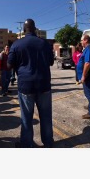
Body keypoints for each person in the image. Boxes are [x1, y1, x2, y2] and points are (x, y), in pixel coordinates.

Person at [7, 19, 54, 148]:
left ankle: (27, 144)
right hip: (44, 85)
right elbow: (51, 62)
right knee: (46, 116)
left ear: (23, 30)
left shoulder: (16, 44)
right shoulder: (44, 43)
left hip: (26, 86)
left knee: (26, 118)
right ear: (35, 29)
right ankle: (48, 143)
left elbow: (9, 65)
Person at [77, 34, 90, 119]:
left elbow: (87, 63)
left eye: (82, 40)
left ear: (85, 40)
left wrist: (83, 76)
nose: (81, 42)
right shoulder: (88, 49)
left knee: (88, 93)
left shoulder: (89, 49)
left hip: (88, 76)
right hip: (88, 75)